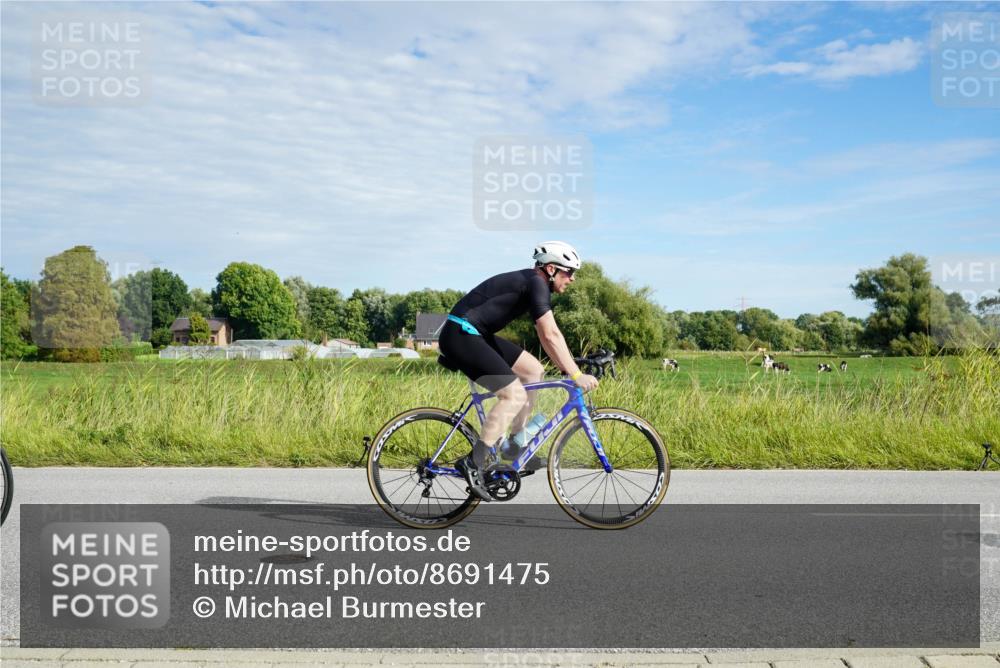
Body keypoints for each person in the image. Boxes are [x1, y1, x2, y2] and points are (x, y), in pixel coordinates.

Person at [439, 241, 599, 502]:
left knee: (533, 371)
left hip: (474, 333)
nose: (573, 279)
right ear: (551, 269)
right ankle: (472, 462)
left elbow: (548, 336)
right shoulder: (536, 283)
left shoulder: (534, 283)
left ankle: (513, 445)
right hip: (461, 334)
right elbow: (550, 334)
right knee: (513, 395)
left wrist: (571, 366)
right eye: (569, 272)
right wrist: (575, 375)